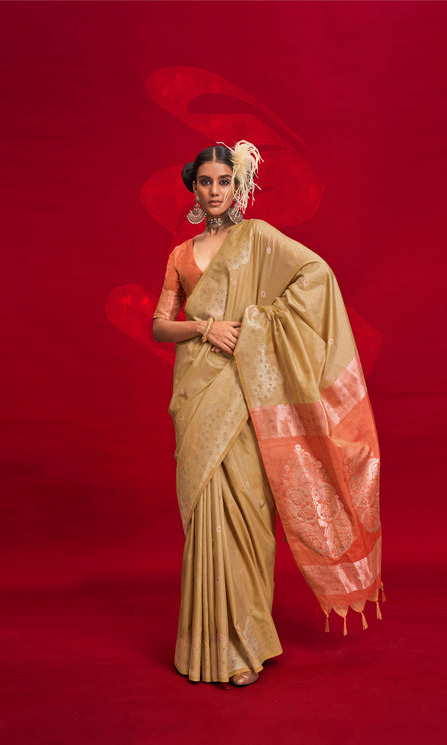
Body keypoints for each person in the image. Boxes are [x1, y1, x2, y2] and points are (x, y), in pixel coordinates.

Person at [152, 141, 383, 687]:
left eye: (223, 182)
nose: (214, 191)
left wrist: (255, 326)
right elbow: (160, 325)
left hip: (246, 394)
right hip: (198, 395)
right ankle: (205, 650)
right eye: (204, 181)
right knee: (207, 514)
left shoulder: (256, 238)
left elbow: (316, 276)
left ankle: (246, 647)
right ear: (193, 188)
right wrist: (205, 328)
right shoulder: (181, 255)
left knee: (250, 515)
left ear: (238, 187)